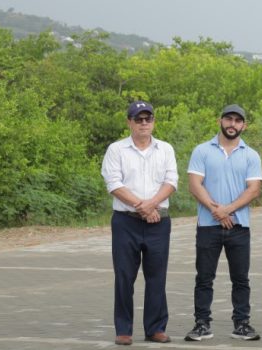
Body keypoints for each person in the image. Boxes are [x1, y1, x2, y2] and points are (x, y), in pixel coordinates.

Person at [101, 101, 178, 346]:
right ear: (129, 122)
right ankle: (123, 329)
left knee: (157, 277)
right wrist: (142, 207)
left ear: (154, 121)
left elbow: (171, 181)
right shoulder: (116, 149)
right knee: (124, 276)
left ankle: (155, 328)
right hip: (126, 222)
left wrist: (152, 204)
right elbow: (113, 183)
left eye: (148, 118)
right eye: (138, 119)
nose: (143, 123)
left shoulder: (165, 149)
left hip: (159, 221)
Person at [185, 104, 262, 342]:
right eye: (228, 119)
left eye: (238, 121)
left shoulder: (251, 154)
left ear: (244, 125)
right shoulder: (202, 150)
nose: (232, 124)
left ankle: (242, 324)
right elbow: (195, 184)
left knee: (240, 279)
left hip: (239, 227)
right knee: (204, 278)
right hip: (208, 227)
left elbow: (254, 190)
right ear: (220, 121)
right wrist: (215, 210)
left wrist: (226, 210)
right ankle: (202, 324)